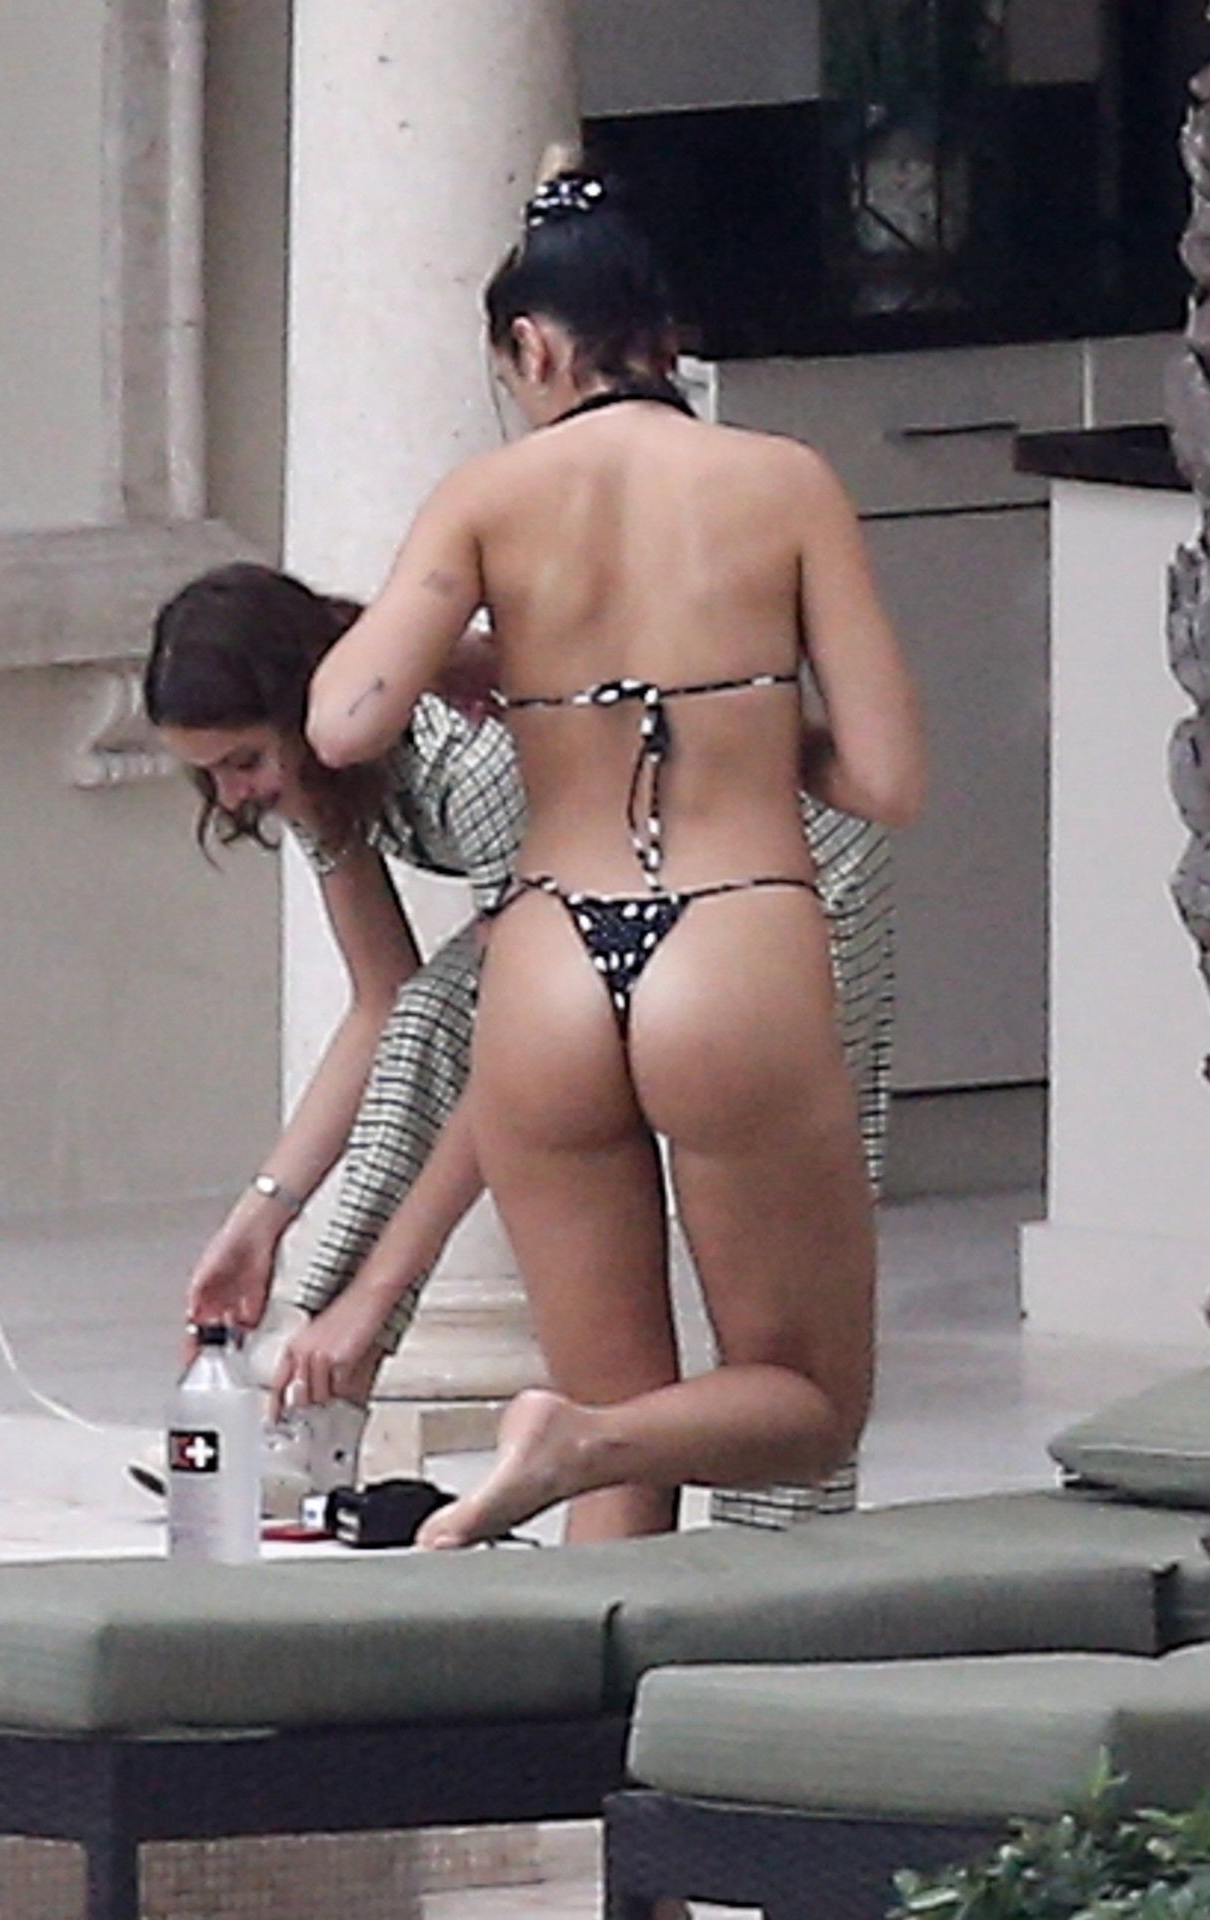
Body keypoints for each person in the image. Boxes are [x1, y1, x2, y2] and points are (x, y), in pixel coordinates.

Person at [305, 167, 925, 1549]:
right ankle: (579, 1440)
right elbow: (888, 780)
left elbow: (343, 720)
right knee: (806, 1402)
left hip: (550, 959)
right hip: (732, 934)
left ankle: (584, 1463)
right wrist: (753, 736)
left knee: (613, 1411)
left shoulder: (484, 499)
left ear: (533, 348)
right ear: (666, 337)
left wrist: (470, 659)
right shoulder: (785, 481)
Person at [140, 562, 521, 1509]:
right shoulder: (322, 780)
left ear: (303, 703)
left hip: (766, 891)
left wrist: (373, 1296)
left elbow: (517, 1050)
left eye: (243, 761)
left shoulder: (470, 753)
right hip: (603, 915)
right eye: (209, 773)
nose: (232, 797)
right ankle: (314, 1401)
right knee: (427, 1016)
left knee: (449, 1021)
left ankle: (320, 1388)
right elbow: (378, 1001)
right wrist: (261, 1218)